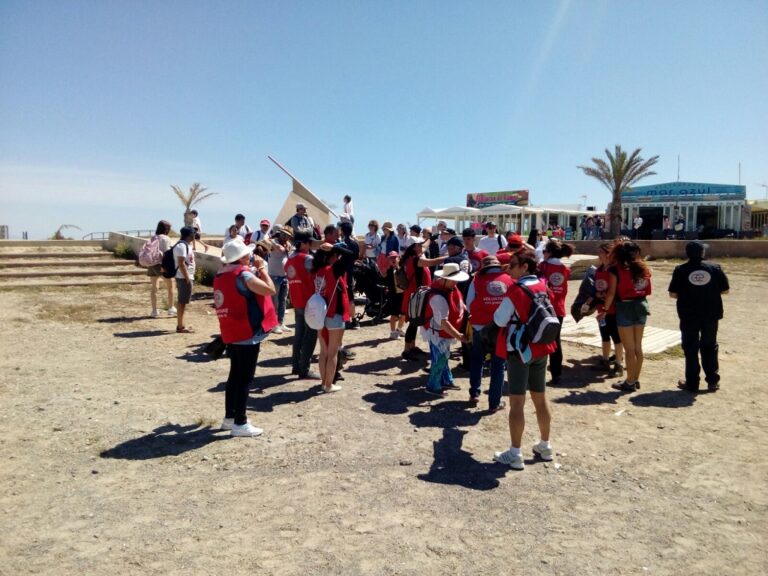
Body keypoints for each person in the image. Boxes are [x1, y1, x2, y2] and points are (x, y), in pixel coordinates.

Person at [492, 247, 557, 471]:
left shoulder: (515, 290)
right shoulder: (543, 285)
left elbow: (500, 320)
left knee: (517, 402)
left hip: (519, 350)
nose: (508, 269)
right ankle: (545, 446)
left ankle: (515, 453)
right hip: (541, 347)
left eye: (512, 265)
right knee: (540, 398)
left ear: (524, 267)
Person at [214, 238, 276, 437]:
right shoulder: (243, 275)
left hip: (230, 331)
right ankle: (240, 423)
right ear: (241, 257)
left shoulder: (221, 275)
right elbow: (270, 290)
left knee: (234, 376)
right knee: (245, 379)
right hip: (246, 332)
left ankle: (229, 418)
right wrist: (263, 269)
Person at [669, 241, 729, 393]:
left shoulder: (681, 270)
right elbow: (725, 290)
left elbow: (673, 294)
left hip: (689, 315)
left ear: (687, 253)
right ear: (703, 253)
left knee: (690, 348)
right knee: (710, 345)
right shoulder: (715, 268)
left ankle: (692, 382)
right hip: (710, 314)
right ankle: (712, 381)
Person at [603, 241, 652, 392]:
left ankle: (629, 382)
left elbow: (611, 293)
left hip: (624, 306)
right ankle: (635, 378)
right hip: (641, 305)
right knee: (638, 347)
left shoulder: (615, 269)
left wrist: (604, 310)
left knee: (629, 349)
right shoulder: (642, 267)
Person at [466, 255, 514, 410]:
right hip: (501, 328)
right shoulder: (509, 279)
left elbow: (468, 304)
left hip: (480, 326)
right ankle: (494, 402)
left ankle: (474, 393)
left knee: (477, 359)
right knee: (498, 365)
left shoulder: (476, 280)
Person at [312, 242, 356, 393]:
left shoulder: (317, 270)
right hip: (334, 314)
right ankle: (328, 385)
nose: (338, 257)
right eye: (336, 256)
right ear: (332, 257)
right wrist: (334, 248)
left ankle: (323, 382)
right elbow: (352, 254)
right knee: (332, 353)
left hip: (320, 314)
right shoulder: (335, 269)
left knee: (323, 352)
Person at [422, 263, 469, 397]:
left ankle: (446, 379)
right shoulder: (438, 297)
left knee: (443, 356)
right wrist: (459, 336)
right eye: (454, 279)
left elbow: (459, 305)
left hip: (441, 332)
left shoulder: (449, 288)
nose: (456, 282)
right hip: (437, 332)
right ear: (445, 278)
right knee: (440, 358)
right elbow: (443, 322)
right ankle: (433, 386)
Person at [400, 239, 445, 360]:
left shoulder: (412, 257)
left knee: (414, 323)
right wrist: (447, 257)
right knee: (413, 324)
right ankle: (407, 350)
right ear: (414, 247)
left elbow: (425, 247)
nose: (422, 247)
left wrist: (430, 238)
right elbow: (431, 262)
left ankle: (412, 347)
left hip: (415, 294)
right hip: (416, 296)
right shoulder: (416, 259)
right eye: (419, 245)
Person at [538, 239, 574, 385]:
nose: (543, 254)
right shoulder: (566, 269)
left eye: (544, 251)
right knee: (556, 341)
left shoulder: (543, 266)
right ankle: (556, 374)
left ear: (550, 252)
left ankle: (537, 373)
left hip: (544, 308)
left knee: (539, 339)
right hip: (559, 308)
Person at [285, 233, 319, 379]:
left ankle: (295, 366)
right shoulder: (307, 259)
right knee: (310, 335)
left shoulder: (289, 259)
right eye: (310, 243)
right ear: (304, 243)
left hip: (296, 299)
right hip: (308, 300)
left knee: (299, 334)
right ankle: (304, 368)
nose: (311, 246)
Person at [593, 243, 624, 376]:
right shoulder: (599, 269)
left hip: (613, 309)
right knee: (604, 336)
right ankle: (605, 361)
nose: (598, 254)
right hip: (601, 308)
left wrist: (607, 296)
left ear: (608, 254)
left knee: (617, 338)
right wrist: (596, 295)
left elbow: (616, 290)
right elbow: (596, 287)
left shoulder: (614, 269)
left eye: (600, 251)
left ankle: (618, 365)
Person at [147, 220, 175, 318]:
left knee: (154, 288)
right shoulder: (166, 239)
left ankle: (154, 310)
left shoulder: (153, 238)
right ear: (166, 229)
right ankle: (171, 308)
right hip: (162, 265)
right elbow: (167, 253)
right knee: (170, 286)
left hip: (152, 264)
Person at [268, 226, 292, 334]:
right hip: (274, 276)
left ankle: (281, 323)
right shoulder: (273, 242)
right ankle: (273, 324)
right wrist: (282, 246)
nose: (285, 237)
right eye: (284, 234)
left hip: (284, 276)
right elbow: (278, 248)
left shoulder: (287, 244)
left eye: (287, 236)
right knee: (275, 302)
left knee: (283, 301)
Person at [338, 221, 361, 329]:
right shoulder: (355, 244)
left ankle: (345, 319)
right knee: (351, 297)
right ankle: (354, 320)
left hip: (341, 273)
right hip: (350, 272)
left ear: (342, 231)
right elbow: (356, 257)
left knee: (342, 296)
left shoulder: (341, 244)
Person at [174, 226, 196, 333]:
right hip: (183, 277)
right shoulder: (182, 246)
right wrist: (187, 277)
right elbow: (181, 263)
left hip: (185, 277)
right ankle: (180, 326)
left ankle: (181, 324)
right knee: (182, 302)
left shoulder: (186, 245)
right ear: (190, 235)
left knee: (183, 302)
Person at [379, 250, 405, 339]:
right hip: (394, 296)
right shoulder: (388, 271)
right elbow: (384, 280)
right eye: (391, 258)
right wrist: (383, 274)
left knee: (404, 314)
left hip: (403, 294)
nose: (393, 259)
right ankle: (393, 332)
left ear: (399, 258)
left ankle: (399, 329)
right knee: (394, 315)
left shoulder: (403, 268)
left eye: (395, 257)